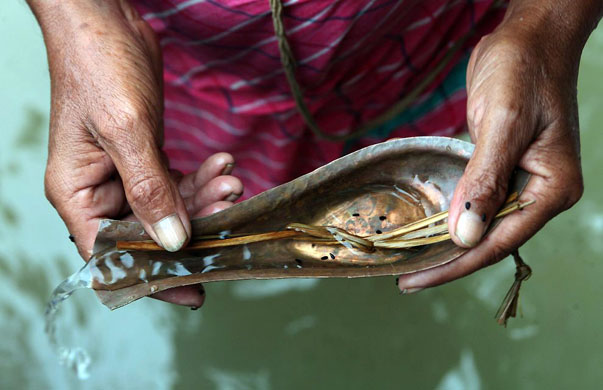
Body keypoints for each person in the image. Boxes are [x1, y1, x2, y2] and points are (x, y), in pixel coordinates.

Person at [26, 0, 601, 308]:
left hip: (422, 53)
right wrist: (80, 20)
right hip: (195, 76)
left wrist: (547, 25)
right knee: (196, 206)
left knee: (464, 192)